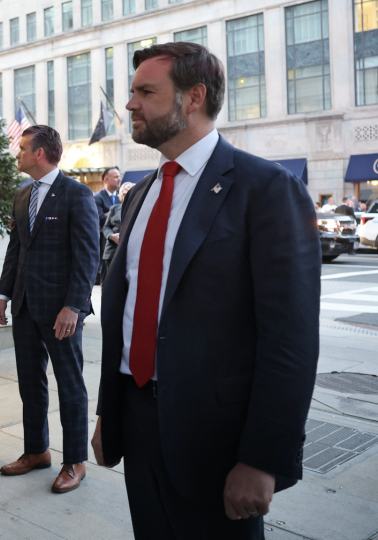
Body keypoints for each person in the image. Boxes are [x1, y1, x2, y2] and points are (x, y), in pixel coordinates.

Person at [91, 42, 320, 539]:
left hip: (218, 444)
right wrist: (110, 413)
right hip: (138, 422)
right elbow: (127, 312)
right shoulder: (142, 194)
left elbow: (291, 341)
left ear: (193, 98)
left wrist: (262, 459)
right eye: (132, 92)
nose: (130, 104)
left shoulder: (266, 190)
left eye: (146, 92)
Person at [0, 125, 99, 494]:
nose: (17, 154)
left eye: (22, 148)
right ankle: (36, 451)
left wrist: (74, 306)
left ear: (40, 153)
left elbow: (88, 257)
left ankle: (75, 461)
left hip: (61, 313)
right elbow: (15, 250)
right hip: (23, 307)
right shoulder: (22, 195)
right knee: (31, 385)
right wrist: (4, 294)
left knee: (70, 385)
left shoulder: (77, 194)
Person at [94, 167, 122, 284]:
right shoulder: (97, 197)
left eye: (119, 176)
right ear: (106, 179)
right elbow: (99, 218)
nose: (119, 179)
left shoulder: (120, 197)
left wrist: (110, 214)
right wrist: (115, 216)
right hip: (104, 241)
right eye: (115, 177)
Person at [101, 181, 134, 271]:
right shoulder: (114, 209)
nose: (126, 189)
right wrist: (112, 236)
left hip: (130, 251)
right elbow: (105, 227)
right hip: (112, 250)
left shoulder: (138, 209)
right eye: (124, 188)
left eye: (129, 187)